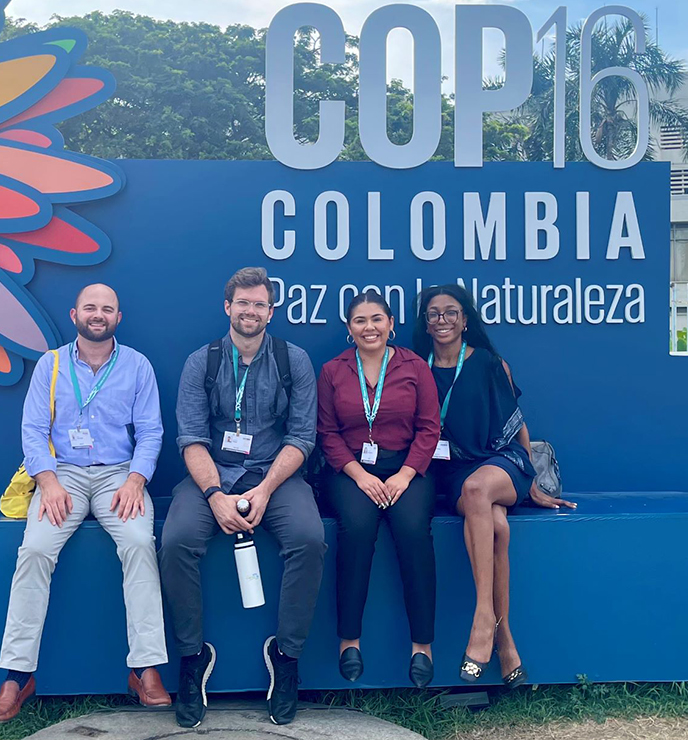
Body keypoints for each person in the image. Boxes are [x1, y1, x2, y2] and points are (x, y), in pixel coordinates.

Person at [0, 283, 171, 723]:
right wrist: (47, 482)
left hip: (117, 475)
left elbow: (151, 431)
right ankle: (16, 676)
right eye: (91, 307)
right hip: (61, 476)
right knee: (33, 551)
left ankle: (145, 669)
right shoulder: (50, 365)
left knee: (140, 546)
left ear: (118, 318)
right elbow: (32, 430)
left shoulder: (137, 366)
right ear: (74, 315)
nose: (98, 314)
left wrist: (135, 480)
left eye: (108, 308)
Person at [159, 266, 324, 728]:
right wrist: (214, 495)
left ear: (271, 311)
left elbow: (301, 437)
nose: (250, 312)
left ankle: (286, 658)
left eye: (260, 304)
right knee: (176, 542)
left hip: (276, 475)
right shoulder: (202, 361)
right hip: (211, 476)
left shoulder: (294, 361)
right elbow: (190, 438)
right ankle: (193, 658)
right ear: (227, 307)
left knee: (309, 539)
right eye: (242, 303)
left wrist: (266, 489)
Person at [413, 283, 575, 689]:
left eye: (451, 312)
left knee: (477, 492)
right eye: (434, 313)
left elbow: (516, 424)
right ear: (426, 323)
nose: (442, 320)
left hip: (502, 463)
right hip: (452, 473)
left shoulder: (489, 363)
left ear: (465, 319)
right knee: (497, 527)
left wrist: (532, 482)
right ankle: (505, 642)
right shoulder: (415, 366)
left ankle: (483, 616)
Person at [317, 289, 441, 688]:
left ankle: (422, 646)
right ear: (348, 328)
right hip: (351, 470)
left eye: (376, 319)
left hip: (406, 467)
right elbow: (327, 432)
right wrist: (358, 474)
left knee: (412, 531)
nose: (368, 327)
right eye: (359, 321)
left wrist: (405, 475)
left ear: (391, 323)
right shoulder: (333, 370)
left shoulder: (414, 367)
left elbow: (429, 428)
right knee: (356, 529)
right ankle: (349, 641)